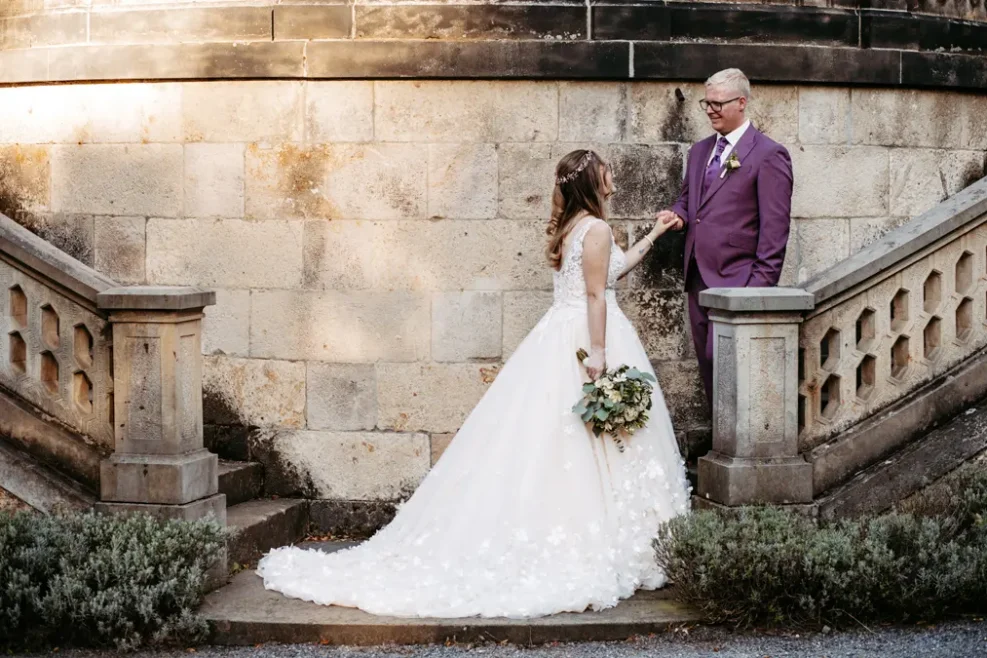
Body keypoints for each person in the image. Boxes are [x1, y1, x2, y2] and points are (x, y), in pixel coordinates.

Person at [257, 149, 690, 619]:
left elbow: (609, 273)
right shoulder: (598, 229)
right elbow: (594, 294)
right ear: (593, 179)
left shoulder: (574, 227)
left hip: (560, 334)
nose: (612, 175)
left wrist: (655, 232)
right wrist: (601, 353)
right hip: (587, 337)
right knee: (590, 436)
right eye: (606, 169)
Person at [657, 68, 794, 408]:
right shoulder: (700, 151)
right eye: (707, 103)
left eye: (719, 103)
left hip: (739, 280)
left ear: (742, 102)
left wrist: (756, 290)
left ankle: (740, 449)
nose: (711, 110)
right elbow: (689, 199)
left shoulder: (768, 154)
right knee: (708, 366)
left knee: (734, 368)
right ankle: (721, 443)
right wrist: (678, 215)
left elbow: (775, 230)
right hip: (699, 278)